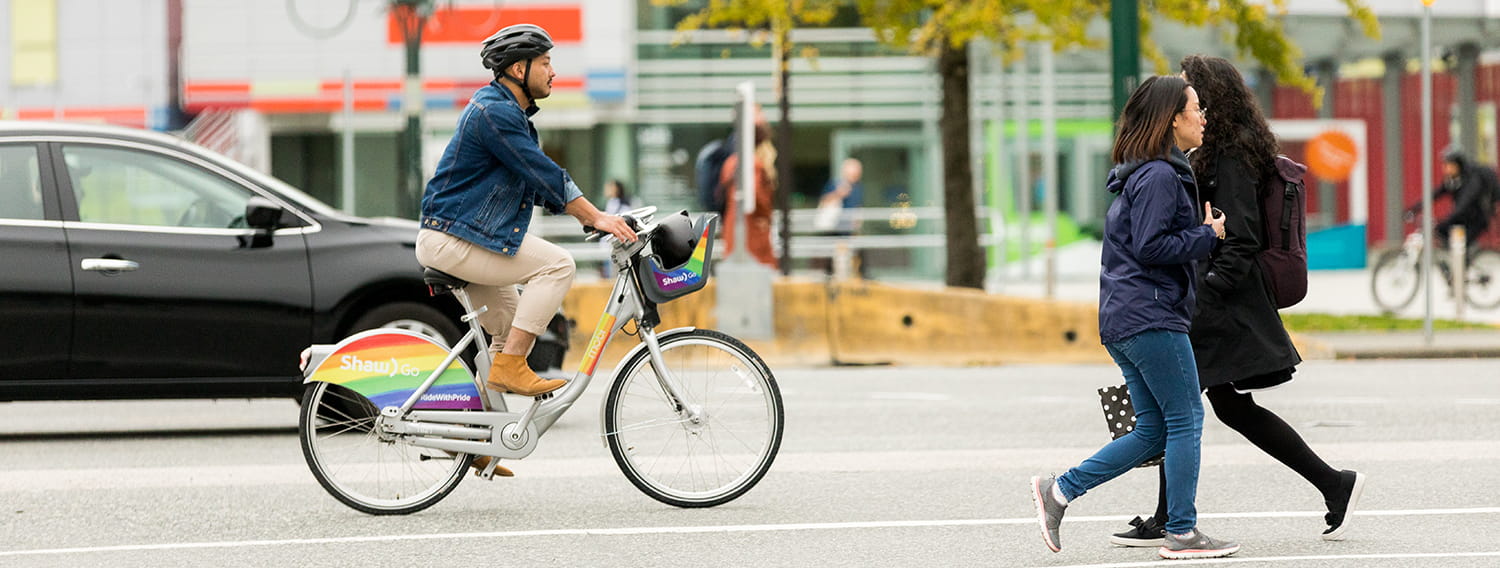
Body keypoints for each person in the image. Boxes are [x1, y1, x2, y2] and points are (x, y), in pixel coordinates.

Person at [1107, 54, 1369, 550]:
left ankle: (1171, 519)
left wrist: (1200, 298)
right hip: (1211, 293)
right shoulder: (1215, 151)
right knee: (1215, 406)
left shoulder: (1231, 153)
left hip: (1219, 298)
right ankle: (1333, 483)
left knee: (1181, 408)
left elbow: (1241, 238)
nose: (1184, 99)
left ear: (1210, 94)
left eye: (1188, 90)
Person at [1030, 75, 1236, 561]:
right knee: (1186, 419)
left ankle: (1059, 492)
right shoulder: (1162, 175)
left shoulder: (1143, 172)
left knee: (1152, 429)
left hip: (1125, 318)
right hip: (1152, 315)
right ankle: (1182, 532)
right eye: (1196, 108)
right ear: (1172, 118)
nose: (1203, 117)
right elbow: (1152, 245)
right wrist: (1209, 236)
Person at [415, 23, 637, 474]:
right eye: (547, 63)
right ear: (520, 68)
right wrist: (595, 216)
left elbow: (533, 186)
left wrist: (591, 216)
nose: (553, 71)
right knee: (557, 265)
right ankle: (513, 365)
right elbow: (542, 172)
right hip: (452, 239)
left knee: (504, 328)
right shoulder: (494, 113)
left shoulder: (507, 114)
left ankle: (468, 438)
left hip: (463, 236)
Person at [718, 105, 779, 270]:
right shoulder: (752, 164)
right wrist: (766, 217)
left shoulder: (733, 162)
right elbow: (757, 198)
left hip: (737, 238)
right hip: (751, 240)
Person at [1408, 147, 1499, 252]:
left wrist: (1447, 220)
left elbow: (1464, 203)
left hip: (1477, 220)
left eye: (1449, 165)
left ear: (1458, 165)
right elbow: (1436, 194)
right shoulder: (1454, 180)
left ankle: (1463, 263)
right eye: (1445, 165)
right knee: (1444, 237)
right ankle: (1455, 262)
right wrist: (1414, 209)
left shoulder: (1473, 181)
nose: (1446, 169)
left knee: (1458, 247)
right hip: (1461, 218)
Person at [815, 158, 866, 277]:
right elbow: (824, 201)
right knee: (832, 251)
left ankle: (861, 274)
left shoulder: (858, 187)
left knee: (858, 250)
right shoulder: (836, 184)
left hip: (849, 227)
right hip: (835, 225)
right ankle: (829, 274)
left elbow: (858, 205)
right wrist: (839, 193)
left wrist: (857, 221)